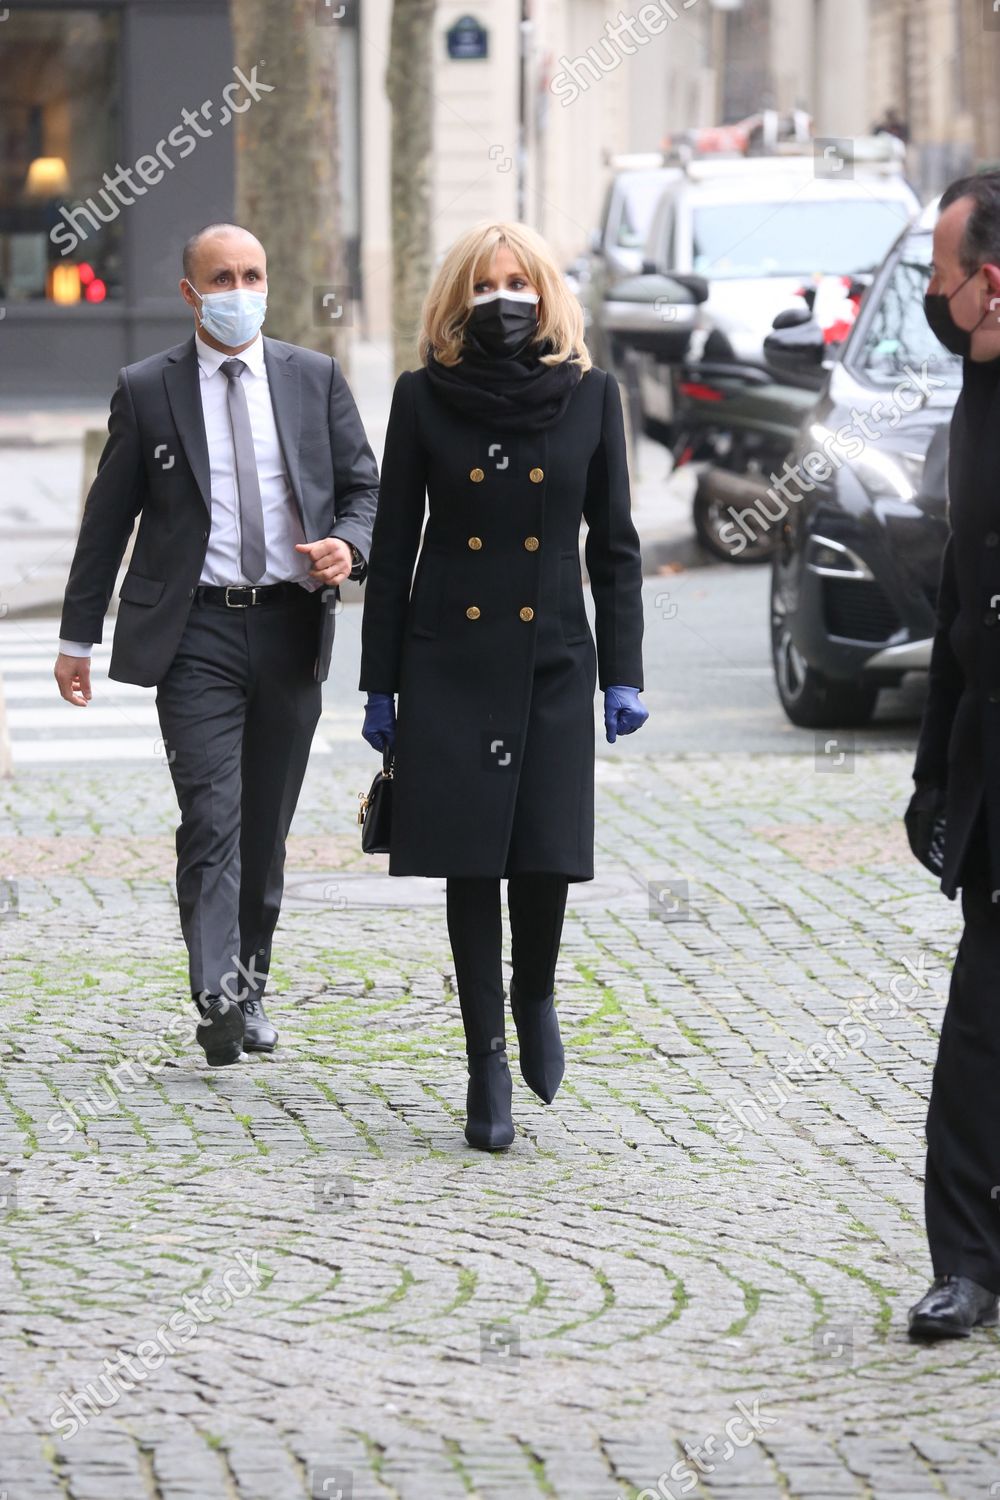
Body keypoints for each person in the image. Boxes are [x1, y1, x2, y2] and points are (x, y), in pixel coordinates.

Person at [55, 223, 378, 1067]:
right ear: (191, 293)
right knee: (212, 816)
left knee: (264, 828)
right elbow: (107, 521)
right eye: (223, 277)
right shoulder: (148, 388)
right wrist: (75, 638)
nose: (241, 291)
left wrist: (351, 545)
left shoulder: (314, 379)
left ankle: (252, 983)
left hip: (289, 626)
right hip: (193, 631)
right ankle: (220, 995)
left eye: (253, 274)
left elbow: (364, 489)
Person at [358, 220, 648, 1151]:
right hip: (449, 656)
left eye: (517, 282)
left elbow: (615, 547)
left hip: (556, 655)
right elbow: (394, 545)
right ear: (457, 299)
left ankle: (535, 994)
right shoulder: (421, 399)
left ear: (547, 292)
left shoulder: (592, 397)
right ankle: (486, 1058)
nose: (503, 301)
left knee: (546, 850)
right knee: (472, 858)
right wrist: (379, 686)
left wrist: (625, 672)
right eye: (483, 286)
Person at [905, 172, 1000, 1337]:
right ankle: (967, 1263)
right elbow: (957, 605)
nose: (930, 296)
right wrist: (933, 771)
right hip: (992, 776)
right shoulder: (972, 395)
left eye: (939, 276)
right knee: (979, 1022)